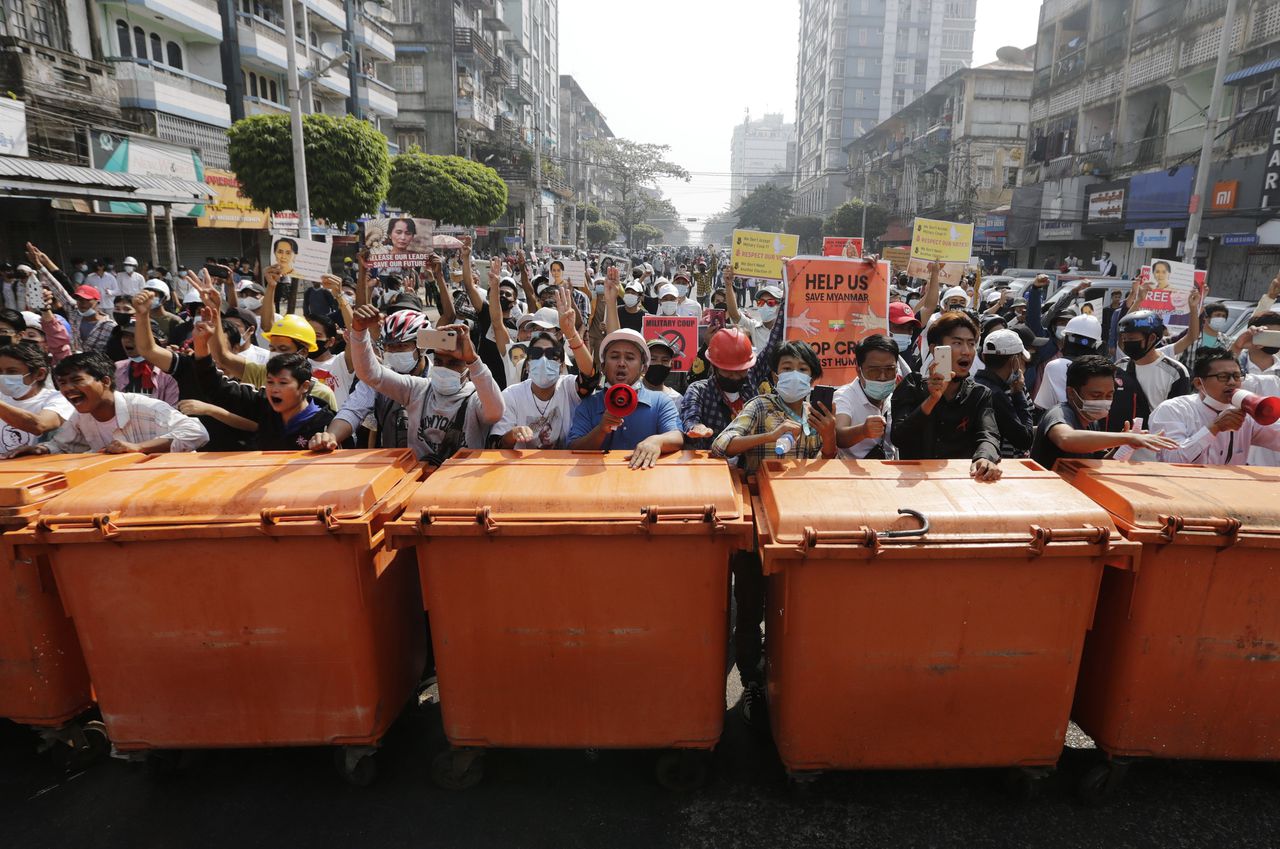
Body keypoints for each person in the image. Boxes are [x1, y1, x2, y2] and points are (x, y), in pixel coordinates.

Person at [314, 305, 503, 465]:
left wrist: (473, 360)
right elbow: (370, 375)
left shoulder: (476, 397)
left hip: (459, 483)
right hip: (410, 475)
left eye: (454, 363)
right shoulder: (417, 388)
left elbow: (495, 412)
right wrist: (359, 332)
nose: (444, 368)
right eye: (438, 362)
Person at [8, 352, 207, 456]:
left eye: (76, 381)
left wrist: (139, 448)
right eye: (62, 383)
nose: (67, 389)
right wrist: (40, 450)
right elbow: (62, 446)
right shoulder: (80, 418)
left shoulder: (143, 406)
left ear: (105, 381)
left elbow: (197, 432)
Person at [890, 312, 1002, 481]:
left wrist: (985, 457)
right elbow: (899, 437)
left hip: (960, 484)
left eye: (971, 344)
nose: (966, 351)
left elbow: (988, 435)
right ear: (936, 349)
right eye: (957, 343)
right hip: (914, 484)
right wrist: (932, 400)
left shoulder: (979, 394)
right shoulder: (912, 385)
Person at [492, 289, 598, 449]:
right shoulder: (511, 395)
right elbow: (494, 445)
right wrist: (511, 435)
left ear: (562, 364)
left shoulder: (568, 387)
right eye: (536, 354)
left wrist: (571, 332)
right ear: (527, 363)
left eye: (551, 354)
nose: (543, 360)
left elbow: (590, 378)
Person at [711, 341, 839, 473]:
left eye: (802, 369)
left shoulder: (814, 415)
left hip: (801, 489)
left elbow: (823, 463)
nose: (794, 375)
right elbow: (720, 445)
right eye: (787, 368)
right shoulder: (760, 406)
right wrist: (770, 436)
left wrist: (829, 436)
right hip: (762, 488)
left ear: (811, 379)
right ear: (775, 377)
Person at [1030, 355, 1179, 469]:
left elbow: (1097, 464)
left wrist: (1123, 446)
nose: (1104, 400)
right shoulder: (1059, 414)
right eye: (1096, 395)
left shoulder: (1091, 422)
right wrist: (1127, 438)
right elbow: (1066, 438)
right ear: (1071, 393)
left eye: (1109, 395)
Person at [566, 328, 684, 469]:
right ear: (603, 366)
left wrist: (657, 441)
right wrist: (601, 429)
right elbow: (574, 447)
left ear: (643, 368)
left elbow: (677, 436)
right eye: (614, 357)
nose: (621, 363)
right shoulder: (589, 404)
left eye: (630, 358)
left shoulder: (661, 402)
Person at [319, 309, 430, 451]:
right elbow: (354, 409)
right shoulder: (378, 379)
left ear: (422, 347)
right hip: (393, 462)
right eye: (389, 346)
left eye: (402, 346)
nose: (394, 352)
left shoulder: (436, 378)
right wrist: (331, 436)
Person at [1149, 347, 1280, 465]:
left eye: (1237, 376)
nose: (1232, 382)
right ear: (1199, 383)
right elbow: (1171, 459)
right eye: (1223, 377)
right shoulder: (1173, 409)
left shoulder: (1245, 413)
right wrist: (1213, 428)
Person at [194, 345, 339, 451]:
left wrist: (326, 446)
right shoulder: (262, 404)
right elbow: (217, 388)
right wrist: (202, 341)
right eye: (270, 382)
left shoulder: (325, 424)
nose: (274, 389)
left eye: (283, 383)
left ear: (304, 387)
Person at [680, 323, 782, 450]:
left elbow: (773, 345)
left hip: (749, 465)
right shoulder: (699, 390)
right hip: (713, 465)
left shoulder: (751, 379)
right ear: (714, 366)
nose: (734, 376)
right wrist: (696, 427)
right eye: (728, 371)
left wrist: (786, 305)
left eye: (740, 370)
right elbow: (690, 416)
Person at [1107, 310, 1192, 431]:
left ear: (1152, 338)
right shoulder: (1120, 366)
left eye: (1131, 339)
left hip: (1153, 445)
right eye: (1124, 339)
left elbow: (1177, 418)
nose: (1127, 343)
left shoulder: (1175, 372)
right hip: (1119, 443)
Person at [0, 341, 74, 453]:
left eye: (12, 371)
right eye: (0, 371)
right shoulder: (2, 398)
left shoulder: (59, 398)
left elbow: (40, 425)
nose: (3, 376)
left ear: (39, 374)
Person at [833, 335, 897, 459]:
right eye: (874, 370)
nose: (882, 377)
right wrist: (863, 431)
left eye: (889, 369)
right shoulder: (844, 396)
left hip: (888, 472)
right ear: (858, 370)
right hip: (853, 474)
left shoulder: (896, 396)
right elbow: (838, 435)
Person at [975, 328, 1035, 459]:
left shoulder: (974, 383)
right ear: (1015, 361)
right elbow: (1024, 440)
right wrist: (1018, 394)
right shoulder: (996, 395)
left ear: (984, 357)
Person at [1034, 313, 1103, 411]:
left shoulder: (1054, 366)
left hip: (1063, 422)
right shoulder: (1104, 369)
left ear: (1067, 339)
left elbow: (1043, 406)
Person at [724, 265, 782, 352]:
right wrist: (728, 285)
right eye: (761, 302)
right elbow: (734, 315)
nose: (765, 306)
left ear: (780, 305)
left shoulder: (786, 331)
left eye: (770, 303)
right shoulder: (754, 327)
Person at [73, 285, 116, 356]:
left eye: (87, 300)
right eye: (79, 299)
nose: (82, 303)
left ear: (98, 302)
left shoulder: (110, 326)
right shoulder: (74, 316)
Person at [642, 338, 684, 404]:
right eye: (653, 359)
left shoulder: (677, 399)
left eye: (665, 360)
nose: (659, 363)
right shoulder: (631, 392)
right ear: (643, 362)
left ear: (671, 364)